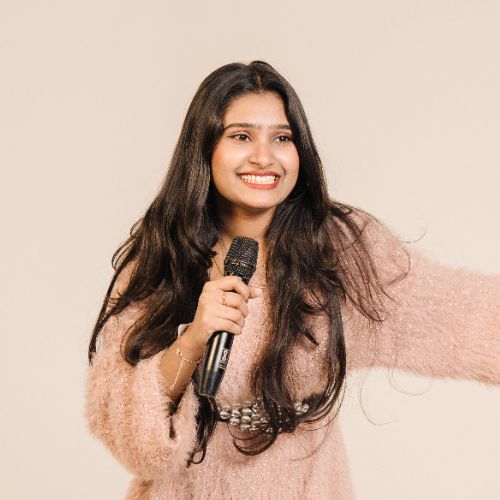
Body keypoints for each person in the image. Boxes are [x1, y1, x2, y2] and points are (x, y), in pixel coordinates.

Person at [85, 60, 500, 499]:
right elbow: (127, 431)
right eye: (241, 136)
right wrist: (195, 337)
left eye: (282, 138)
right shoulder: (161, 256)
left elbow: (463, 316)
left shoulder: (339, 248)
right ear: (205, 147)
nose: (264, 157)